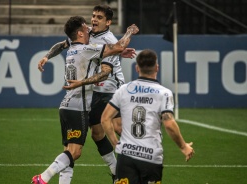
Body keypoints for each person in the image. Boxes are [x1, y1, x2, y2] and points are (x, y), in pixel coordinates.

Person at [31, 16, 139, 184]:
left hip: (65, 106)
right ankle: (42, 178)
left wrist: (117, 52)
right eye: (85, 28)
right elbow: (118, 46)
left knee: (68, 151)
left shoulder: (73, 49)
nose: (89, 29)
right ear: (80, 34)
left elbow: (108, 52)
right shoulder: (87, 49)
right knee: (75, 152)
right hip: (78, 107)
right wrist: (129, 32)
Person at [101, 49, 195, 184]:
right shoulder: (164, 93)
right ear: (157, 68)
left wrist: (116, 144)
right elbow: (169, 124)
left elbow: (105, 119)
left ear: (137, 68)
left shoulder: (124, 90)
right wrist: (183, 146)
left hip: (126, 155)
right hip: (151, 157)